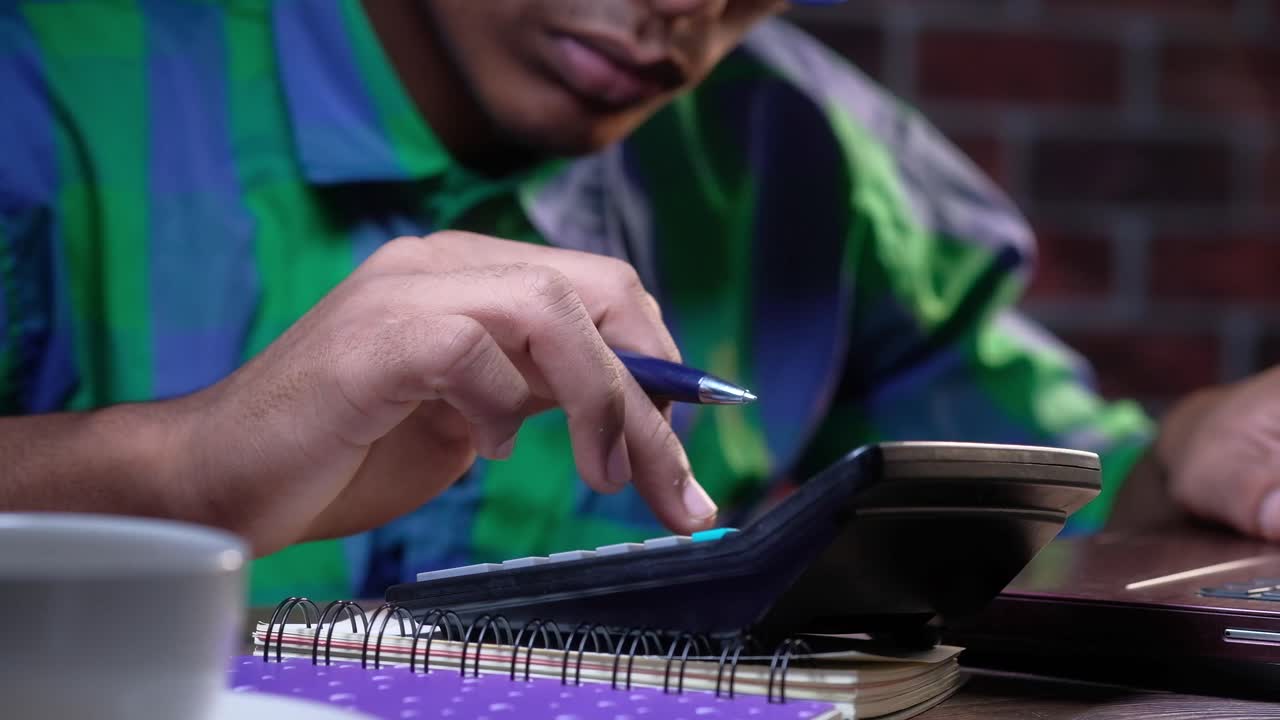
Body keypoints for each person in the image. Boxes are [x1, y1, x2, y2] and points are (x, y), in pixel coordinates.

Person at [0, 0, 1267, 605]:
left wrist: (1192, 458)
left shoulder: (802, 150)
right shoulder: (43, 70)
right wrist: (177, 471)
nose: (681, 10)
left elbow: (1052, 483)